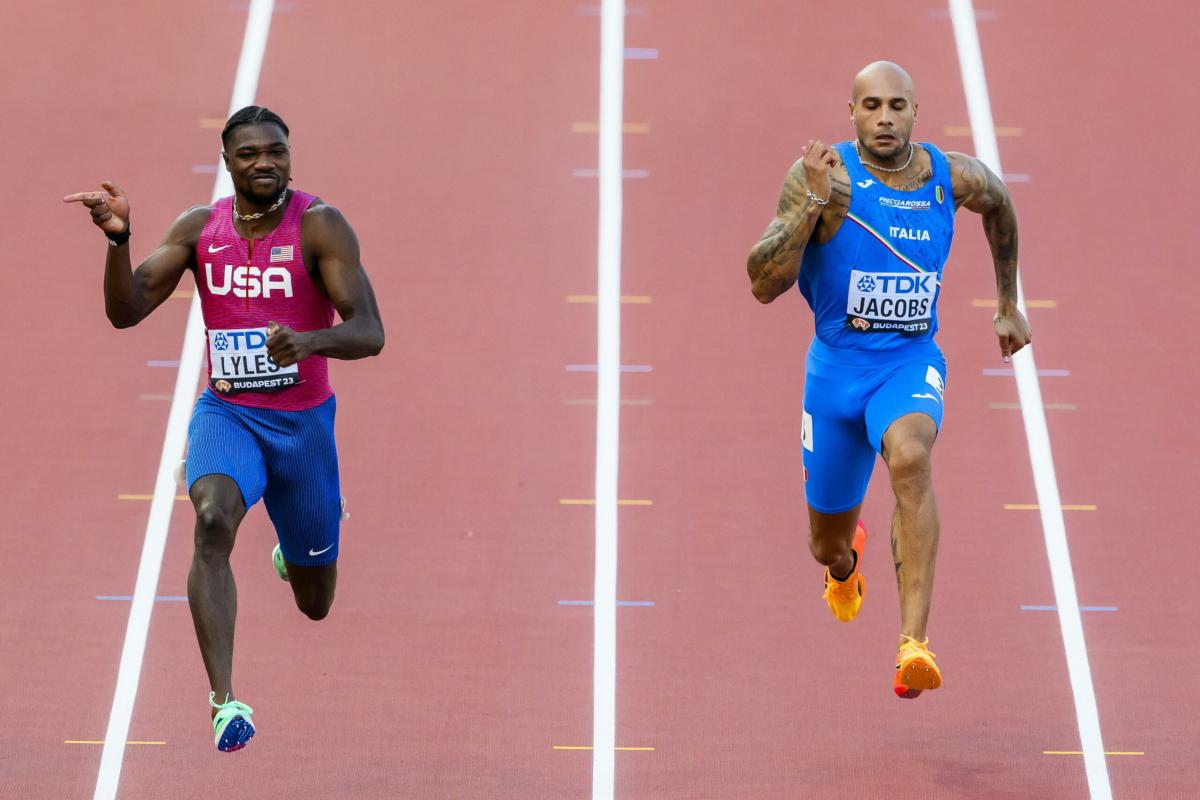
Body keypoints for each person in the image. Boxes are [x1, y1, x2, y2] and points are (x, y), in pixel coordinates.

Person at [64, 106, 385, 749]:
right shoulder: (200, 229)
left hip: (302, 429)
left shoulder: (321, 226)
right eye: (249, 154)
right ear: (227, 161)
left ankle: (293, 549)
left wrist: (310, 340)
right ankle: (225, 703)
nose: (265, 162)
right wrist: (118, 239)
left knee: (315, 602)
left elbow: (370, 331)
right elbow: (126, 313)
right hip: (228, 412)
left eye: (276, 151)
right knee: (210, 520)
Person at [745, 62, 1030, 699]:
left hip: (907, 363)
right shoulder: (825, 178)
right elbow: (763, 282)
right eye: (870, 106)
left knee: (910, 454)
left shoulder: (946, 176)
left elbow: (1001, 204)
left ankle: (913, 646)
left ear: (914, 111)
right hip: (835, 375)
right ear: (851, 112)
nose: (884, 118)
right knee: (825, 544)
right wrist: (813, 204)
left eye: (896, 106)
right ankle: (847, 566)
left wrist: (1009, 301)